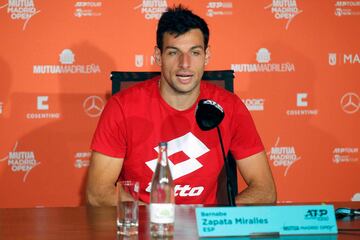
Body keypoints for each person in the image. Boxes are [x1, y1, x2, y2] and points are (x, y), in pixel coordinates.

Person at [86, 5, 276, 206]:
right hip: (145, 230)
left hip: (204, 231)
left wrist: (217, 218)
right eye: (173, 52)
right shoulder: (122, 108)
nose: (184, 64)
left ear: (207, 56)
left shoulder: (229, 107)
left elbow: (265, 191)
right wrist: (161, 220)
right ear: (158, 56)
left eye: (194, 52)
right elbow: (97, 193)